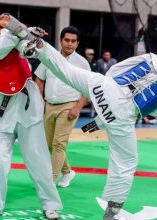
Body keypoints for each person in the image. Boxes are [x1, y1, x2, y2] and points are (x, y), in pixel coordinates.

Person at [0, 13, 157, 220]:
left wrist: (106, 91)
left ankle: (29, 37)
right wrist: (117, 111)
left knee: (64, 68)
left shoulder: (151, 58)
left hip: (105, 87)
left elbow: (117, 69)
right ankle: (111, 212)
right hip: (122, 115)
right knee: (125, 163)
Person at [0, 2, 62, 219]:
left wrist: (28, 36)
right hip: (0, 110)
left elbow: (27, 48)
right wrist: (18, 29)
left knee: (39, 159)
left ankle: (50, 205)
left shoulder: (9, 36)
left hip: (27, 104)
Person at [35, 26, 90, 187]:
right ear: (60, 41)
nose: (69, 44)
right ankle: (67, 172)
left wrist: (77, 108)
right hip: (49, 105)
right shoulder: (49, 57)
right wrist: (41, 102)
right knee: (49, 144)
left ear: (77, 43)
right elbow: (39, 79)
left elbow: (87, 88)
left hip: (69, 106)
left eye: (73, 41)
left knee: (59, 144)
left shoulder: (82, 63)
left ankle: (49, 183)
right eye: (67, 40)